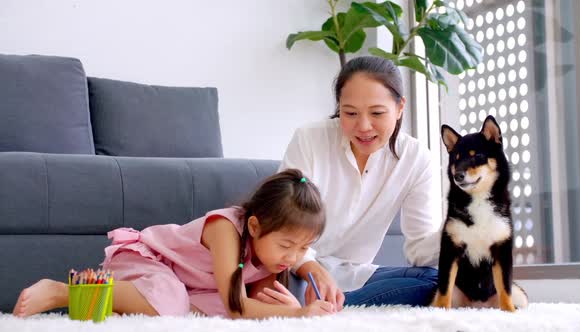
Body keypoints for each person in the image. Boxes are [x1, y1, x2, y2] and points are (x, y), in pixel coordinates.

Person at [12, 169, 335, 319]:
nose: (292, 257)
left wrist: (289, 309)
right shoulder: (226, 228)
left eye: (303, 248)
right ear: (254, 225)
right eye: (287, 245)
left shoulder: (273, 255)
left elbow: (251, 306)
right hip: (147, 259)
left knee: (210, 309)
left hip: (187, 284)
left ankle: (149, 302)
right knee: (173, 299)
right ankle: (60, 291)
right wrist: (300, 315)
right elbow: (240, 308)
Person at [277, 56, 441, 310]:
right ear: (338, 107)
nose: (363, 126)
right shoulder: (310, 139)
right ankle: (327, 304)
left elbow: (419, 253)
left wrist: (459, 233)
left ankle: (336, 304)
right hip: (297, 268)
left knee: (436, 281)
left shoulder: (416, 158)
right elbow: (285, 228)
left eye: (376, 113)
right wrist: (312, 270)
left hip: (354, 275)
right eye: (350, 113)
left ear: (399, 108)